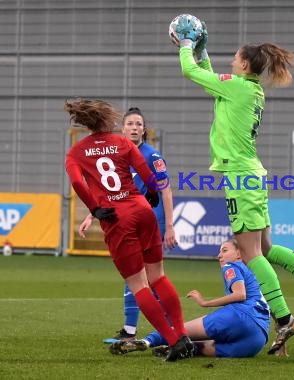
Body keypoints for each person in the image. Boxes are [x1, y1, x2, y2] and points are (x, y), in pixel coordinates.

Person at [171, 15, 294, 354]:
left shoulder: (236, 87)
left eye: (235, 58)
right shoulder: (248, 89)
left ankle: (283, 319)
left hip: (240, 176)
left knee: (250, 254)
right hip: (253, 174)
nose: (231, 62)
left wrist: (187, 47)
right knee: (264, 249)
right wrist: (203, 52)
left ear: (245, 64)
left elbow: (191, 74)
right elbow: (210, 80)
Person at [64, 98, 193, 362]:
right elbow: (145, 171)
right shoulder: (122, 142)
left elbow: (77, 182)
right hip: (141, 209)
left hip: (117, 219)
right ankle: (182, 336)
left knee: (138, 285)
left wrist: (95, 208)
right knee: (158, 277)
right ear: (108, 120)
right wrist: (153, 195)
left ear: (85, 123)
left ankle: (173, 342)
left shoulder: (76, 152)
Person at [78, 107, 177, 343]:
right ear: (122, 128)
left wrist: (170, 226)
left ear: (144, 129)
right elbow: (106, 191)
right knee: (136, 276)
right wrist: (91, 215)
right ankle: (139, 330)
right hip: (128, 220)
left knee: (148, 278)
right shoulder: (117, 153)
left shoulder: (152, 156)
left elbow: (165, 191)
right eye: (130, 124)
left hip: (149, 221)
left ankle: (164, 329)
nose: (134, 128)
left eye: (138, 124)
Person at [109, 239, 270, 358]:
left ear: (239, 255)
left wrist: (204, 302)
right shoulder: (251, 276)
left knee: (179, 332)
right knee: (204, 349)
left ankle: (146, 341)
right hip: (257, 340)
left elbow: (240, 294)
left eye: (225, 250)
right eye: (219, 251)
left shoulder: (231, 267)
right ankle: (183, 349)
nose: (219, 255)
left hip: (240, 317)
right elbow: (270, 307)